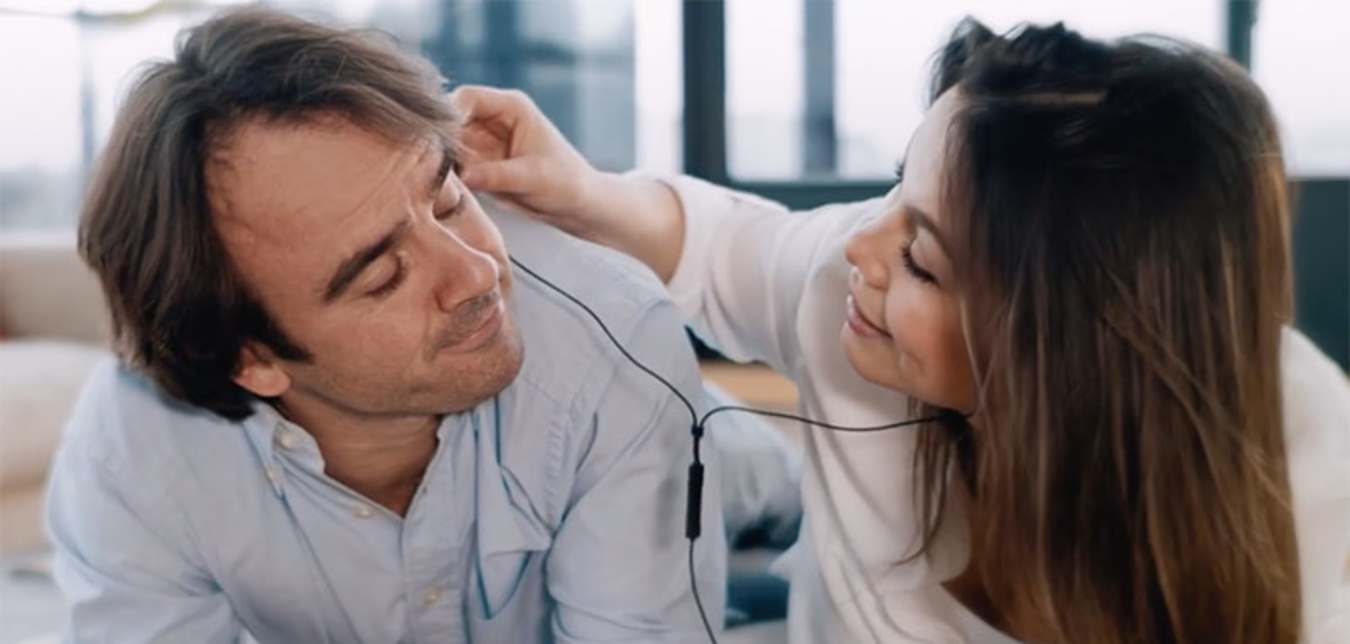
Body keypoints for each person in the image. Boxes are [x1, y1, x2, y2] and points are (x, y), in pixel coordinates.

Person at [449, 19, 1350, 644]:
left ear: (1057, 348)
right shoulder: (851, 285)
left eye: (922, 260)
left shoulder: (1312, 518)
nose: (859, 248)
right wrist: (578, 188)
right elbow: (723, 244)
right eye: (893, 190)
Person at [45, 8, 732, 642]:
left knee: (762, 489)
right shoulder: (131, 456)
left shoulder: (613, 334)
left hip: (721, 460)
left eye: (449, 198)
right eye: (382, 276)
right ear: (251, 359)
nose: (476, 274)